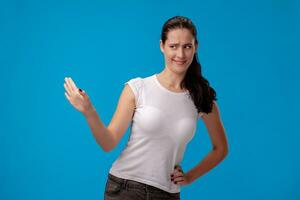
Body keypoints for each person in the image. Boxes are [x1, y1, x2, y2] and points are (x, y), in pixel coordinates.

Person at [63, 16, 229, 200]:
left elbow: (221, 148)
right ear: (162, 46)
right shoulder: (138, 88)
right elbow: (108, 142)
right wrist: (89, 111)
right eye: (173, 46)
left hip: (167, 194)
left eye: (187, 46)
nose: (180, 55)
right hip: (125, 188)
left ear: (195, 47)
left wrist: (189, 177)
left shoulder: (202, 98)